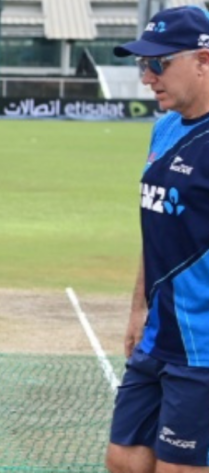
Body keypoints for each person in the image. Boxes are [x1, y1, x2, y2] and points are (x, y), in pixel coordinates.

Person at [107, 6, 209, 473]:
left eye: (159, 63)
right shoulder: (164, 127)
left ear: (204, 60)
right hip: (156, 336)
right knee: (123, 461)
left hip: (202, 350)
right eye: (141, 64)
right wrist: (137, 309)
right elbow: (158, 230)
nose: (147, 77)